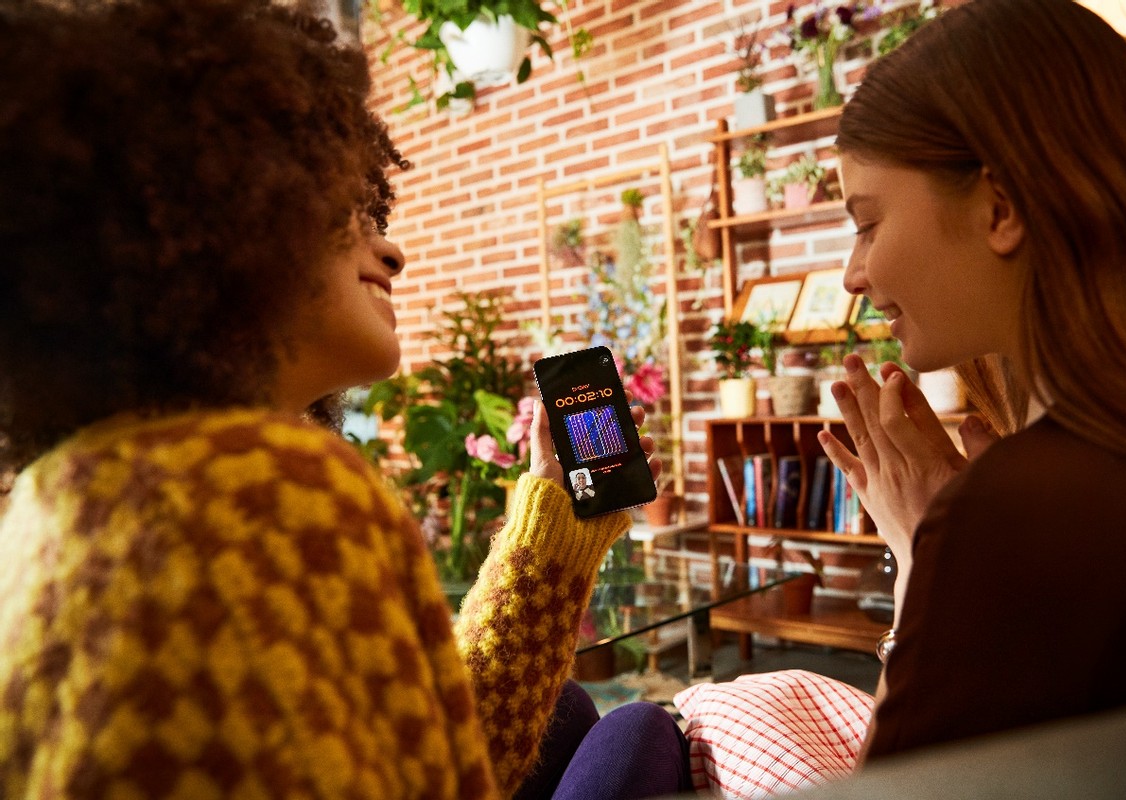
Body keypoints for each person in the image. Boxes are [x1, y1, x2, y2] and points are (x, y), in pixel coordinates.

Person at [0, 1, 690, 797]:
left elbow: (416, 735)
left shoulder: (79, 496)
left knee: (577, 709)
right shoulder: (266, 493)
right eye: (349, 209)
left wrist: (556, 519)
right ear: (227, 218)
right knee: (641, 727)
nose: (392, 249)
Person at [817, 0, 1126, 763]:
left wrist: (928, 563)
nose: (855, 275)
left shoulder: (1035, 509)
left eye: (867, 223)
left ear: (1002, 205)